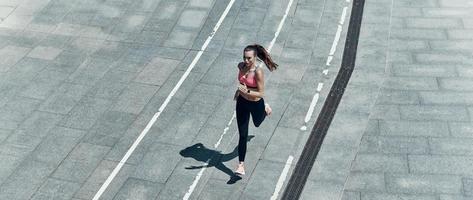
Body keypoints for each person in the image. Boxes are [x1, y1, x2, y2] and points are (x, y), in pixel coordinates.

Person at [234, 44, 278, 175]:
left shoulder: (258, 72)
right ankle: (241, 165)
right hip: (242, 102)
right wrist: (240, 91)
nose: (246, 61)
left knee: (257, 123)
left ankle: (265, 108)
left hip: (256, 103)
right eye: (244, 58)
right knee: (242, 135)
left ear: (255, 58)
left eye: (249, 58)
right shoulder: (241, 66)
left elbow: (261, 93)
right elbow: (242, 83)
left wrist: (246, 90)